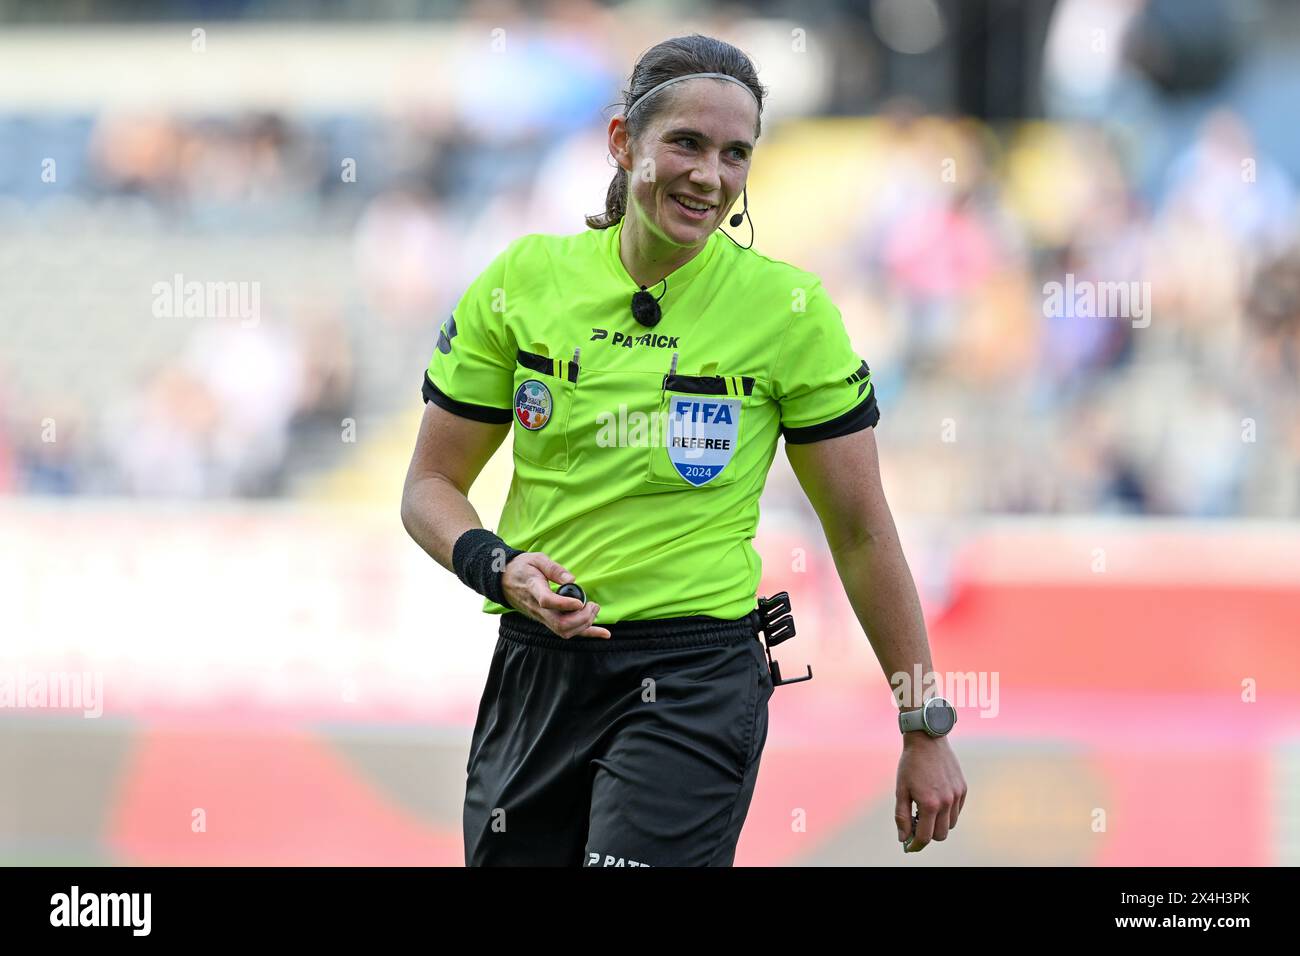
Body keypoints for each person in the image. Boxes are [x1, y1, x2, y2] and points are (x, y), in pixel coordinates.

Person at [401, 34, 967, 867]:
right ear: (624, 142)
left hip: (694, 678)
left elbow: (862, 532)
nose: (711, 175)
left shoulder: (790, 310)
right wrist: (498, 566)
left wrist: (923, 723)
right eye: (687, 144)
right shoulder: (522, 281)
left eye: (736, 153)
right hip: (537, 670)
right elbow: (430, 486)